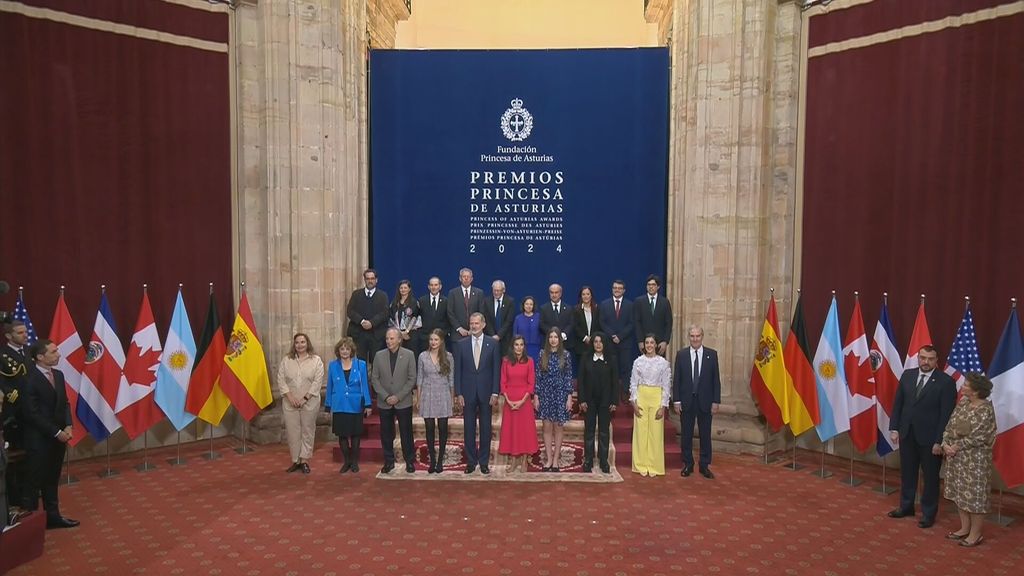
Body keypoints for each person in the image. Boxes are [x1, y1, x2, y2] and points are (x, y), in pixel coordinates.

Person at [887, 345, 957, 528]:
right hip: (907, 434)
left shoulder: (946, 382)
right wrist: (894, 428)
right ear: (918, 358)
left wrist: (939, 441)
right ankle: (906, 506)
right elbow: (898, 404)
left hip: (931, 440)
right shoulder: (907, 375)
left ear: (936, 360)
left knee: (931, 478)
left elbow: (946, 415)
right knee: (907, 473)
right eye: (922, 358)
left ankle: (928, 513)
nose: (925, 362)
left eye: (930, 359)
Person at [21, 339, 78, 529]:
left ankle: (53, 517)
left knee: (52, 479)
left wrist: (68, 425)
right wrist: (56, 432)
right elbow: (31, 413)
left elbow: (65, 403)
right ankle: (28, 525)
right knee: (34, 482)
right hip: (39, 439)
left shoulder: (59, 375)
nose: (58, 354)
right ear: (40, 357)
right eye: (53, 352)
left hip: (59, 437)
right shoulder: (29, 378)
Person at [941, 373, 997, 547]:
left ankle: (975, 534)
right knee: (960, 494)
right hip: (956, 459)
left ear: (975, 391)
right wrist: (945, 443)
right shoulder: (963, 403)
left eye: (965, 385)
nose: (962, 386)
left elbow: (980, 436)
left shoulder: (985, 409)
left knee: (975, 498)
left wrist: (956, 446)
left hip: (976, 461)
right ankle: (964, 528)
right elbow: (950, 425)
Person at [453, 312, 501, 474]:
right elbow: (457, 371)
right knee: (469, 428)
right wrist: (458, 392)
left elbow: (496, 370)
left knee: (486, 428)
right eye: (471, 323)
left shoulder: (492, 344)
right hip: (467, 393)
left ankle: (484, 461)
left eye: (476, 323)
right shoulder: (461, 344)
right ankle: (471, 461)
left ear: (483, 324)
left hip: (487, 393)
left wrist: (495, 392)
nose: (473, 326)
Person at [672, 326, 721, 479]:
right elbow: (677, 380)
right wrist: (677, 400)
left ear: (702, 336)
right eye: (692, 336)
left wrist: (715, 401)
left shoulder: (711, 355)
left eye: (697, 336)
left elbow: (715, 380)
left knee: (705, 434)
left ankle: (704, 465)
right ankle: (688, 464)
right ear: (689, 337)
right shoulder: (681, 355)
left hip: (705, 402)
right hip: (687, 401)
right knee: (686, 434)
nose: (695, 339)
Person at [277, 333, 325, 474]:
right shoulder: (286, 360)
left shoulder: (316, 360)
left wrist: (305, 398)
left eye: (303, 342)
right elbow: (281, 379)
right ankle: (295, 460)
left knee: (307, 431)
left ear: (307, 343)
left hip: (309, 402)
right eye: (297, 342)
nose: (300, 345)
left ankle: (304, 460)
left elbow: (317, 382)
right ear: (294, 344)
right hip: (290, 402)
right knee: (293, 432)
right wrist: (290, 397)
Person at [371, 328, 417, 474]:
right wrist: (385, 396)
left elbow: (412, 379)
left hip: (403, 401)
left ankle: (409, 461)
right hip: (384, 402)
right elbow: (375, 379)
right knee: (386, 433)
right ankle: (389, 461)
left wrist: (398, 396)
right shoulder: (378, 356)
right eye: (387, 339)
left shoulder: (409, 355)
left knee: (406, 432)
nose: (389, 341)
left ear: (399, 339)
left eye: (392, 339)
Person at [325, 338, 372, 473]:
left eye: (347, 349)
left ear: (351, 351)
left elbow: (365, 386)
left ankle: (354, 462)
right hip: (339, 405)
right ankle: (347, 461)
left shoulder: (360, 365)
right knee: (342, 435)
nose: (344, 352)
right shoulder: (333, 366)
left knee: (356, 435)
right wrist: (328, 405)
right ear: (338, 351)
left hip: (355, 405)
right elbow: (330, 386)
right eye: (342, 349)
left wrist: (368, 405)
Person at [630, 334, 671, 477]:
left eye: (652, 342)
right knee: (641, 432)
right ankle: (640, 464)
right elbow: (634, 383)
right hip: (642, 396)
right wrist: (634, 402)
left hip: (656, 397)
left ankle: (654, 465)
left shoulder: (663, 363)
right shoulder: (638, 362)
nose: (649, 345)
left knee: (655, 433)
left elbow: (666, 386)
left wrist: (663, 406)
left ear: (656, 345)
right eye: (647, 342)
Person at [578, 333, 619, 474]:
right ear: (592, 343)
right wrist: (582, 400)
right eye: (595, 341)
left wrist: (614, 401)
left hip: (605, 402)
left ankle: (603, 461)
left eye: (601, 341)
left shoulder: (611, 359)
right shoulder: (586, 358)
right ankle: (588, 460)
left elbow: (615, 382)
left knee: (603, 432)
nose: (598, 344)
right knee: (589, 431)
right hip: (589, 402)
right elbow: (581, 381)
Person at [498, 336, 538, 473]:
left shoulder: (530, 361)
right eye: (516, 344)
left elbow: (531, 383)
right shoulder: (506, 361)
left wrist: (522, 401)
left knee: (524, 431)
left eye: (521, 344)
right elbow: (503, 382)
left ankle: (524, 460)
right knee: (512, 431)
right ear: (512, 346)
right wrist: (508, 401)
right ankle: (514, 461)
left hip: (524, 401)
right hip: (510, 401)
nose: (519, 347)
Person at [416, 329, 455, 474]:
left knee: (443, 428)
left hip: (443, 393)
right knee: (430, 428)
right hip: (427, 393)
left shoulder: (449, 357)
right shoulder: (422, 356)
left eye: (436, 340)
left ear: (442, 341)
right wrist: (418, 398)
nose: (433, 342)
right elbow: (419, 378)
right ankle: (432, 460)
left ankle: (440, 461)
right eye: (431, 339)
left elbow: (451, 379)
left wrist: (452, 399)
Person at [535, 328, 574, 472]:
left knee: (558, 427)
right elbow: (538, 376)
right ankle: (549, 459)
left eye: (555, 337)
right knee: (546, 428)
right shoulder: (541, 354)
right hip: (545, 394)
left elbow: (568, 377)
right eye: (550, 337)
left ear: (559, 339)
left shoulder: (566, 355)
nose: (553, 339)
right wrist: (537, 396)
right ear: (548, 339)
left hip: (560, 395)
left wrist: (569, 397)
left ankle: (556, 459)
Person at [598, 280, 635, 400]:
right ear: (612, 289)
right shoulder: (604, 304)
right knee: (610, 368)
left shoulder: (630, 305)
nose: (617, 290)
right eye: (615, 288)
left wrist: (620, 336)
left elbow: (631, 323)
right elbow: (602, 322)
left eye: (619, 288)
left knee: (625, 368)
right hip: (609, 342)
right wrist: (612, 335)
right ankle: (610, 392)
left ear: (624, 290)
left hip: (625, 342)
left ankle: (625, 391)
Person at [346, 268, 390, 365]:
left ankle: (374, 381)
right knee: (359, 363)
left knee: (376, 363)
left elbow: (385, 313)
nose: (370, 281)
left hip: (376, 335)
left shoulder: (383, 295)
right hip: (359, 334)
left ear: (376, 280)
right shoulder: (356, 294)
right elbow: (350, 311)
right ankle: (362, 380)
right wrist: (361, 321)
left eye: (372, 278)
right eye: (368, 278)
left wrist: (372, 323)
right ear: (364, 280)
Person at [633, 275, 672, 357]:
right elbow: (637, 322)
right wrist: (640, 341)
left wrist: (665, 341)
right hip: (644, 344)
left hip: (659, 344)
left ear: (658, 287)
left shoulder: (665, 302)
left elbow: (668, 323)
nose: (651, 287)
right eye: (649, 285)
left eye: (653, 285)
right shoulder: (639, 301)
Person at [569, 285, 602, 372]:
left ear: (591, 296)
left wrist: (593, 338)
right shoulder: (576, 309)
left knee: (594, 371)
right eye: (583, 294)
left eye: (588, 294)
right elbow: (575, 326)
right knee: (582, 371)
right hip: (581, 345)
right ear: (581, 296)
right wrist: (585, 338)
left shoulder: (597, 309)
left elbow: (599, 325)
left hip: (595, 345)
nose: (586, 296)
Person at [447, 267, 484, 343]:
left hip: (475, 333)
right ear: (460, 278)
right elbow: (450, 312)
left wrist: (473, 328)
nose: (466, 278)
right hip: (457, 334)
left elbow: (481, 312)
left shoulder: (479, 293)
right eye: (464, 276)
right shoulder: (452, 293)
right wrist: (459, 328)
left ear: (472, 279)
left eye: (468, 277)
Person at [416, 277, 449, 357]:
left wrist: (444, 334)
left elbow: (448, 319)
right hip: (424, 339)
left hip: (440, 338)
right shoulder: (421, 300)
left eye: (436, 285)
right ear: (428, 287)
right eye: (431, 285)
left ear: (440, 286)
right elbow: (417, 318)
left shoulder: (446, 301)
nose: (433, 287)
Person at [482, 280, 516, 354]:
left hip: (505, 338)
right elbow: (486, 320)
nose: (496, 293)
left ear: (503, 290)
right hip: (490, 337)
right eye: (494, 290)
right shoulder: (486, 301)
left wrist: (499, 335)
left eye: (498, 290)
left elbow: (509, 321)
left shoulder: (510, 301)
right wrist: (493, 335)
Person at [389, 279, 421, 351]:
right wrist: (400, 332)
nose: (403, 290)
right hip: (397, 335)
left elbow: (416, 317)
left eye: (405, 288)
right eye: (401, 288)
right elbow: (391, 318)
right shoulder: (394, 303)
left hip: (411, 335)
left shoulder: (414, 302)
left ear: (409, 289)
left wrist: (406, 331)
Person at [513, 296, 543, 362]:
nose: (528, 306)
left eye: (531, 304)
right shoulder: (518, 318)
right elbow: (514, 334)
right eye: (526, 304)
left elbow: (542, 332)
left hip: (536, 348)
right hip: (522, 349)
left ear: (533, 306)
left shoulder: (538, 317)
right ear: (523, 305)